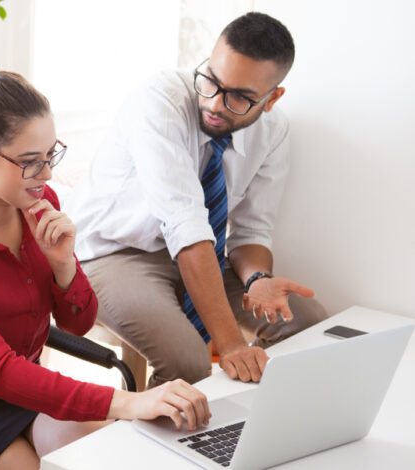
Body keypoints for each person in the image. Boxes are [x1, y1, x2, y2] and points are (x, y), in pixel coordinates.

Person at [0, 50, 211, 470]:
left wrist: (64, 267)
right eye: (29, 163)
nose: (46, 175)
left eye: (50, 156)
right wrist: (127, 401)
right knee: (29, 464)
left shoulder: (40, 208)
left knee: (101, 456)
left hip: (25, 388)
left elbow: (77, 324)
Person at [67, 12, 328, 389]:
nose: (215, 103)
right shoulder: (160, 100)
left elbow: (252, 229)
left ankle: (250, 432)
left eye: (240, 96)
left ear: (272, 99)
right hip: (113, 252)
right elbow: (184, 224)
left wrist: (257, 279)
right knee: (187, 362)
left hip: (203, 253)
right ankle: (154, 446)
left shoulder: (274, 131)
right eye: (211, 80)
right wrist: (233, 345)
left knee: (306, 322)